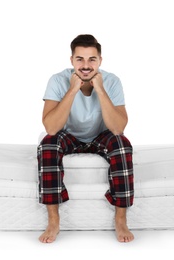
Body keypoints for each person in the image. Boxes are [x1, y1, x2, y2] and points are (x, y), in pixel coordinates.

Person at [37, 34, 134, 243]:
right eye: (80, 59)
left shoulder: (112, 81)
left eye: (92, 59)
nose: (86, 65)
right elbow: (52, 127)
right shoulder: (58, 80)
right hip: (69, 135)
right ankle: (53, 219)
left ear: (100, 61)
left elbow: (118, 128)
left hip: (101, 135)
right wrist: (73, 89)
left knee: (122, 144)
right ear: (72, 61)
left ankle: (121, 218)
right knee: (47, 144)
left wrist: (99, 89)